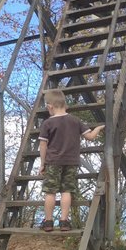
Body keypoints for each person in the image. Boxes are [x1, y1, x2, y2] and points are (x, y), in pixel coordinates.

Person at [38, 89, 104, 231]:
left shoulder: (47, 123)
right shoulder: (75, 121)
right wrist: (98, 128)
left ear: (50, 106)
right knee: (66, 191)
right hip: (71, 162)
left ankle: (48, 222)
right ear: (64, 104)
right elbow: (90, 137)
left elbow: (43, 145)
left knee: (50, 192)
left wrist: (42, 163)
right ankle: (64, 222)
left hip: (53, 162)